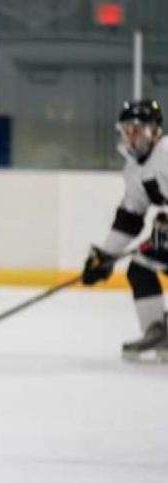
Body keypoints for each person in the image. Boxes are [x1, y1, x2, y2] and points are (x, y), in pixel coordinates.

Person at [82, 99, 168, 361]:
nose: (131, 136)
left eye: (137, 129)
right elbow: (130, 217)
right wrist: (105, 256)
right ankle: (158, 331)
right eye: (127, 129)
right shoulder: (134, 168)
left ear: (154, 130)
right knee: (140, 268)